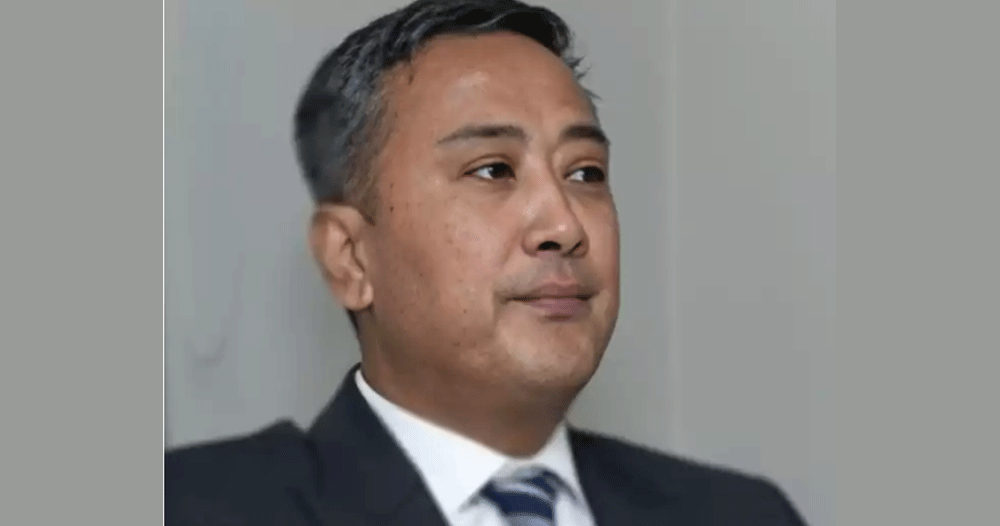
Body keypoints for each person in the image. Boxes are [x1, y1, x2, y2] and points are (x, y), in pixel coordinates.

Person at [165, 1, 808, 524]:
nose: (565, 226)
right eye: (493, 169)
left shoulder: (741, 515)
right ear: (350, 258)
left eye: (585, 173)